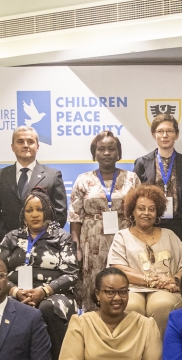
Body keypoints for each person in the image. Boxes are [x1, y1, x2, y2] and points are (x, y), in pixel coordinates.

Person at [0, 187, 78, 360]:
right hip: (16, 292)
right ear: (23, 214)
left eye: (40, 209)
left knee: (47, 308)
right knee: (12, 306)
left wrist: (44, 291)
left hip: (54, 293)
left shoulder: (61, 238)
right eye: (29, 210)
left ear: (48, 211)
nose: (35, 214)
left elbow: (72, 274)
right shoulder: (11, 238)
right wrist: (15, 291)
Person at [69, 131, 141, 310]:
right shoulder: (83, 180)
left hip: (125, 240)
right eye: (101, 149)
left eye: (111, 149)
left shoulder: (132, 179)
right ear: (95, 153)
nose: (107, 153)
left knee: (123, 282)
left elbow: (139, 213)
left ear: (119, 153)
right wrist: (76, 246)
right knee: (94, 285)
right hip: (92, 243)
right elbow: (75, 216)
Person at [107, 184, 182, 337]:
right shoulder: (122, 236)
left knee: (161, 305)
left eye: (151, 209)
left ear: (157, 212)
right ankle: (133, 356)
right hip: (131, 288)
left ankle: (160, 355)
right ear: (133, 210)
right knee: (130, 306)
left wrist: (173, 280)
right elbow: (118, 269)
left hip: (165, 289)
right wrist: (150, 280)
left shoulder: (169, 235)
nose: (146, 213)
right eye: (141, 208)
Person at [0, 126, 68, 240]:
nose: (25, 145)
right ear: (12, 147)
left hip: (44, 246)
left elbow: (59, 214)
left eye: (30, 141)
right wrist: (8, 240)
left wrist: (42, 239)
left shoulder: (52, 176)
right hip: (9, 247)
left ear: (37, 146)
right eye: (20, 141)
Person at [133, 113, 182, 249]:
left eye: (169, 131)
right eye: (160, 131)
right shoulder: (142, 163)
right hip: (152, 224)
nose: (165, 135)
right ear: (154, 135)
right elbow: (137, 196)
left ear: (176, 135)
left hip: (179, 224)